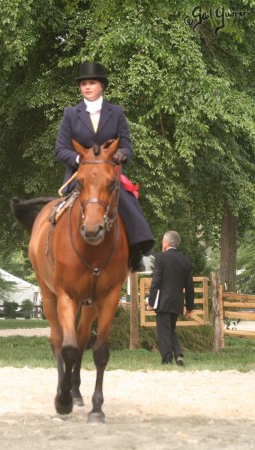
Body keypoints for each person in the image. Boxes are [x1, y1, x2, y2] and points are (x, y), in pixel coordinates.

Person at [55, 61, 154, 271]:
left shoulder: (116, 112)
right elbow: (60, 149)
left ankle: (136, 253)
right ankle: (53, 251)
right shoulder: (70, 114)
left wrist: (122, 153)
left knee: (129, 203)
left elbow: (127, 145)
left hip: (108, 176)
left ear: (102, 86)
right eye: (83, 84)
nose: (87, 87)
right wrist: (80, 159)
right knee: (55, 214)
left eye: (91, 83)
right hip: (79, 176)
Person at [148, 231, 194, 366]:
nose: (162, 243)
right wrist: (190, 307)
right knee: (171, 330)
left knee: (163, 331)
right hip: (177, 302)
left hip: (163, 301)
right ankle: (178, 355)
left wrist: (151, 302)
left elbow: (156, 282)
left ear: (167, 243)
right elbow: (189, 286)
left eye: (163, 241)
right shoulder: (185, 260)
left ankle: (167, 360)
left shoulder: (160, 258)